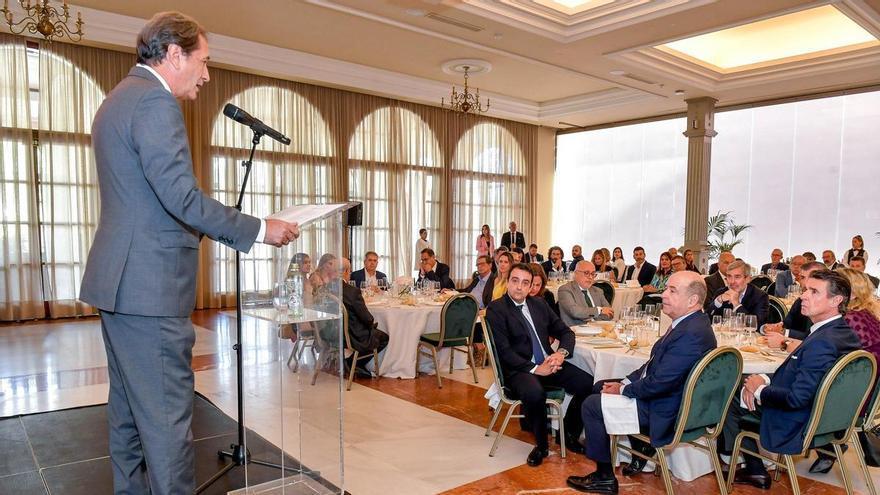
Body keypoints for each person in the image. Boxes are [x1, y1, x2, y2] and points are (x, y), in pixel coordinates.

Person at [77, 12, 301, 494]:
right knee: (167, 427)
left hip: (119, 284)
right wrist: (261, 228)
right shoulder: (155, 104)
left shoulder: (116, 100)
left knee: (129, 418)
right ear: (174, 54)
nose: (206, 74)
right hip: (149, 288)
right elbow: (180, 197)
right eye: (203, 61)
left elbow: (147, 200)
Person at [566, 271, 716, 494]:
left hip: (666, 408)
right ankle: (640, 447)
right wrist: (624, 382)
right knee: (599, 386)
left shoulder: (691, 334)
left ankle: (604, 476)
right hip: (667, 396)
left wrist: (623, 389)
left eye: (672, 291)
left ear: (693, 300)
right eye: (666, 288)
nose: (663, 295)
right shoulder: (690, 323)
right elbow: (651, 366)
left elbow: (660, 383)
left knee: (592, 405)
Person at [720, 270, 861, 490]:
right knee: (745, 385)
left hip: (799, 421)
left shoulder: (822, 342)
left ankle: (749, 465)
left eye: (814, 292)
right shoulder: (842, 333)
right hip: (831, 418)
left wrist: (759, 390)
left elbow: (797, 398)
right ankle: (750, 463)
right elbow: (803, 374)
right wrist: (763, 379)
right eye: (805, 289)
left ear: (836, 300)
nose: (803, 296)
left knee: (728, 396)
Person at [486, 263, 594, 466]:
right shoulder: (497, 309)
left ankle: (568, 435)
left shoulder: (539, 305)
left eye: (525, 283)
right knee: (535, 393)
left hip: (549, 362)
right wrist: (536, 368)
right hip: (520, 369)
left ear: (531, 287)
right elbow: (504, 352)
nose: (519, 287)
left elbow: (566, 332)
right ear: (507, 282)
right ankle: (542, 446)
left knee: (588, 383)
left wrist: (561, 354)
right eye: (515, 281)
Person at [807, 267, 880, 474]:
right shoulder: (868, 314)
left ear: (851, 293)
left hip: (847, 399)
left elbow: (824, 357)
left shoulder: (850, 320)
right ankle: (826, 447)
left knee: (787, 385)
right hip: (865, 393)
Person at [341, 258, 389, 368]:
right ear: (347, 272)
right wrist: (372, 325)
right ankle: (352, 363)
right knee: (383, 337)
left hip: (334, 334)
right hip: (352, 336)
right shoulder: (352, 291)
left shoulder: (327, 288)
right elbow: (368, 319)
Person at [764, 261, 825, 344]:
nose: (801, 282)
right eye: (801, 277)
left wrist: (784, 332)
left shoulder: (825, 304)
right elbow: (787, 322)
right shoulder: (800, 300)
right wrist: (776, 327)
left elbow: (813, 337)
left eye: (803, 277)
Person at [708, 260, 770, 327]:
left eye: (737, 277)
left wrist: (737, 304)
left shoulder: (760, 296)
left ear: (748, 279)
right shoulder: (721, 292)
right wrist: (718, 301)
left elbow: (758, 325)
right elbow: (707, 320)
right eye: (729, 276)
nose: (732, 282)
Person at [558, 261, 613, 326]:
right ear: (576, 274)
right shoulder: (565, 290)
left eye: (593, 274)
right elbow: (575, 312)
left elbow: (610, 313)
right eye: (586, 273)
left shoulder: (598, 291)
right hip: (576, 331)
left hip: (599, 330)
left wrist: (595, 322)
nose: (590, 277)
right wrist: (599, 311)